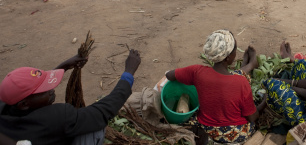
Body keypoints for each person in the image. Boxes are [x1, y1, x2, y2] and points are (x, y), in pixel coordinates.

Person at [0, 48, 141, 144]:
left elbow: (28, 92)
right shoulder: (58, 117)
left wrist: (65, 66)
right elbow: (101, 112)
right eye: (44, 89)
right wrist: (128, 73)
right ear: (24, 104)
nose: (51, 89)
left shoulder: (6, 106)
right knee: (94, 127)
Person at [165, 30, 264, 144]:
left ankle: (250, 65)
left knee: (233, 77)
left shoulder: (197, 72)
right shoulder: (241, 83)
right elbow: (252, 117)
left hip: (207, 129)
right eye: (234, 51)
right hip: (236, 135)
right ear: (227, 58)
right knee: (241, 87)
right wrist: (265, 101)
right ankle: (250, 65)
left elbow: (169, 75)